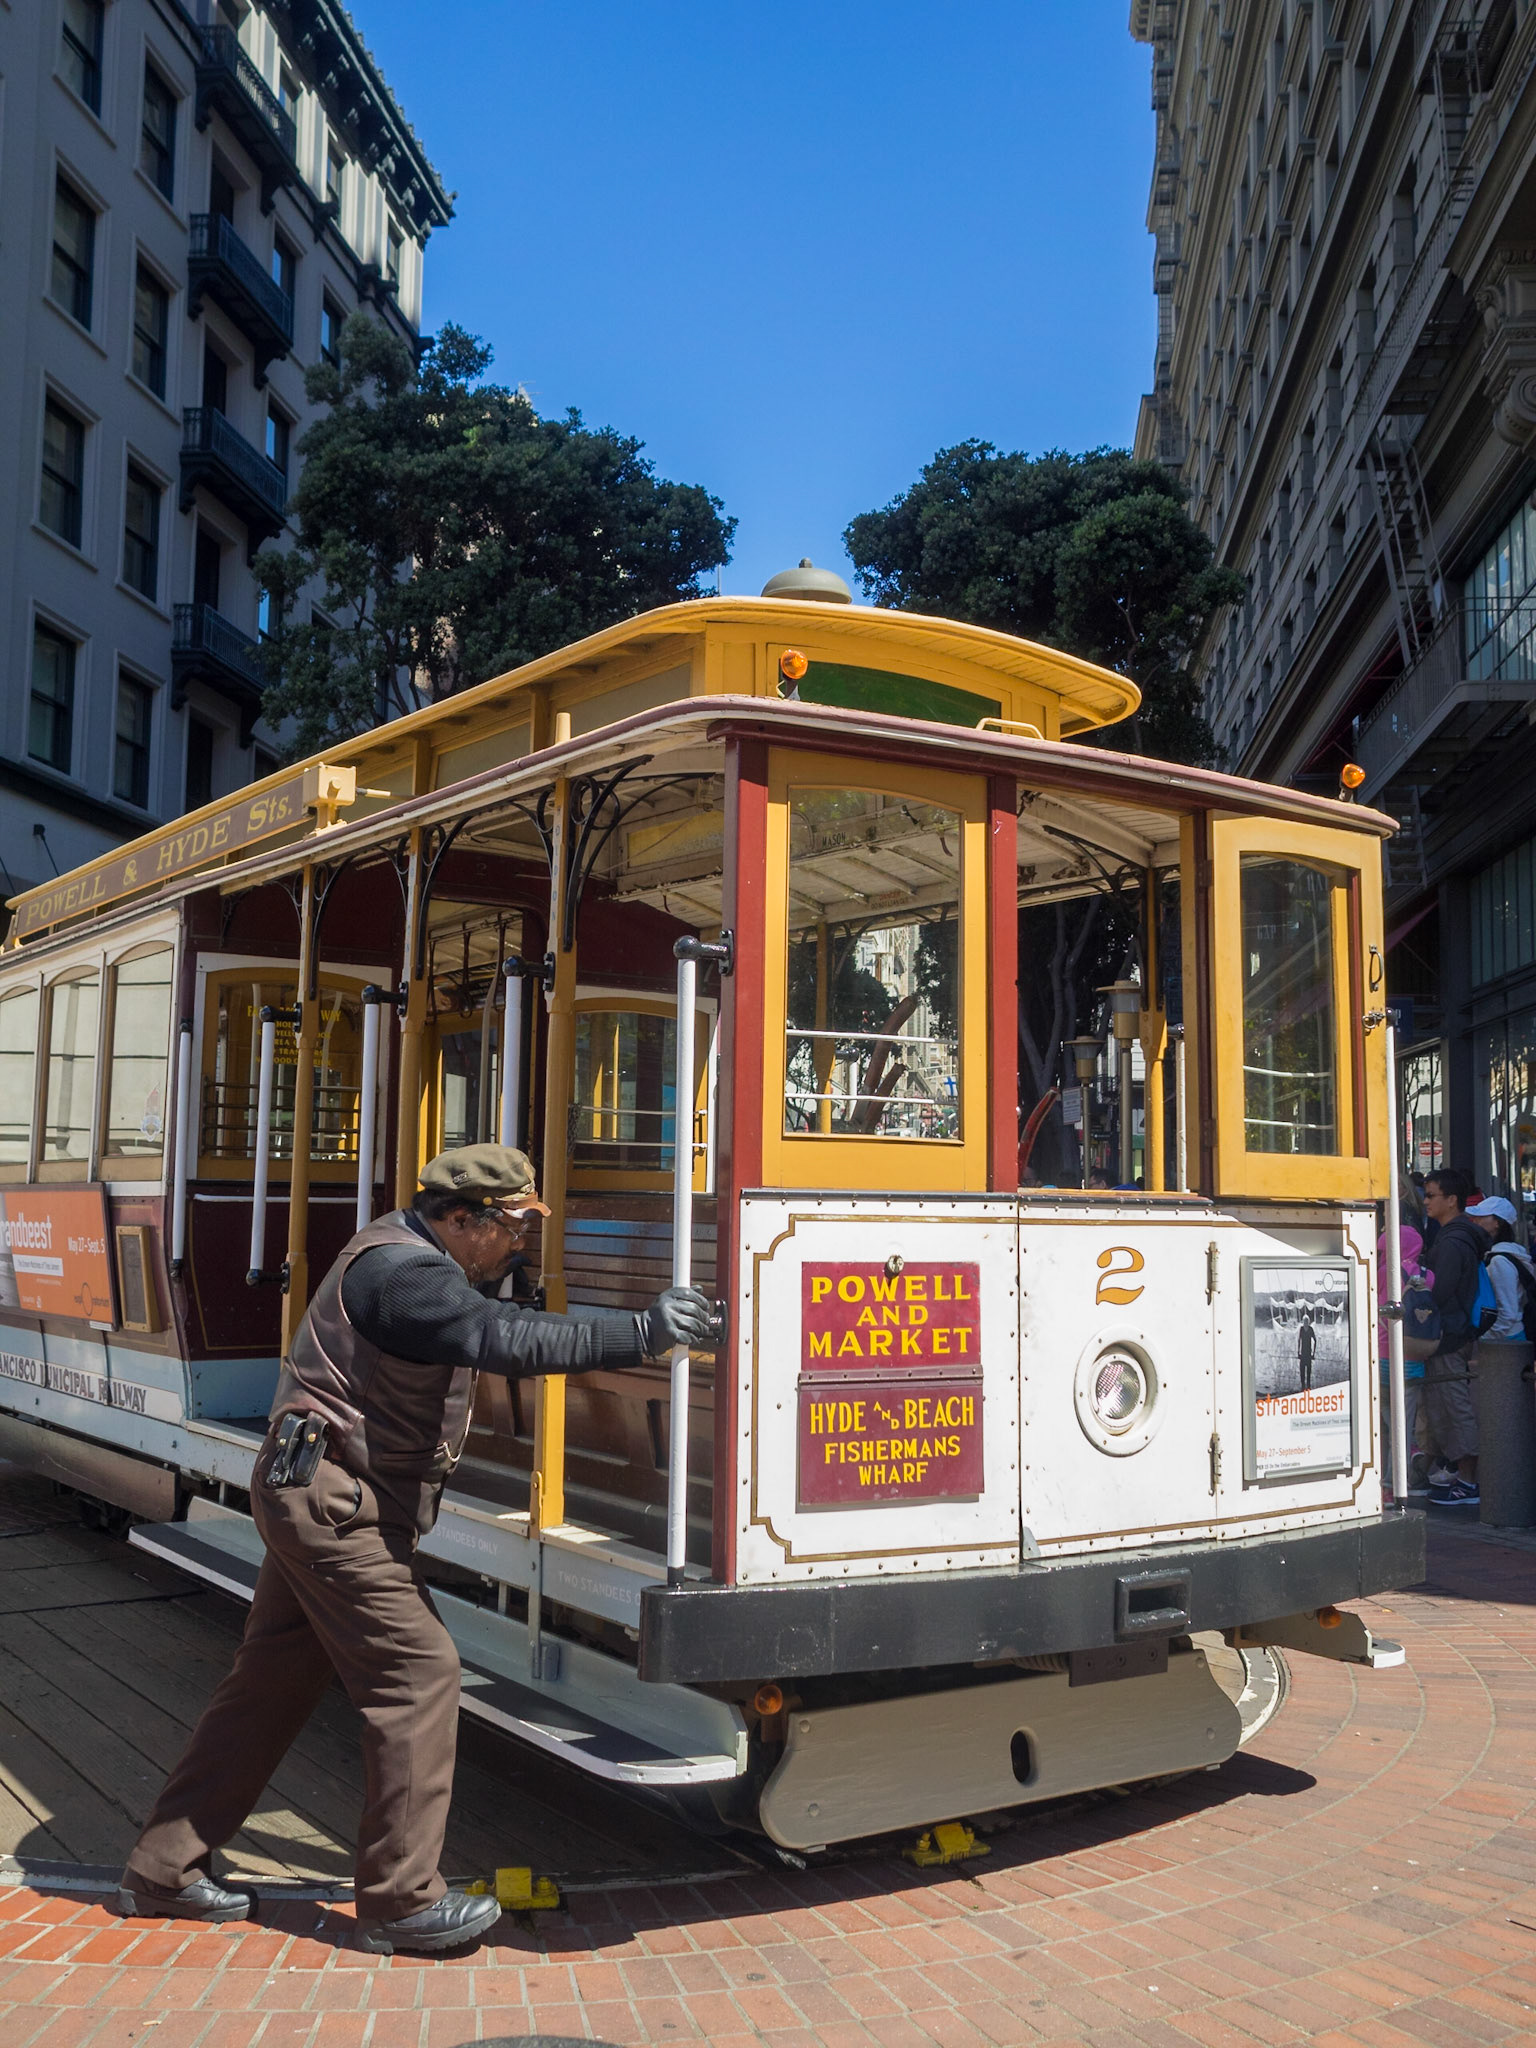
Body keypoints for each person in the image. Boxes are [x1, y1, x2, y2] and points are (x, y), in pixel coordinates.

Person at [117, 1144, 715, 1954]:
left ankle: (163, 1870)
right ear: (458, 1219)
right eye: (509, 1226)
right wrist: (641, 1332)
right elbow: (499, 1337)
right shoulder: (405, 1276)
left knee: (269, 1685)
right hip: (334, 1508)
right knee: (420, 1671)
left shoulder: (406, 1252)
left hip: (321, 1498)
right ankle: (400, 1902)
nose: (519, 1243)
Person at [1418, 1167, 1486, 1507]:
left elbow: (1439, 1291)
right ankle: (1455, 1472)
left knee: (1452, 1405)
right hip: (1454, 1331)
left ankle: (1469, 1479)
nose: (1426, 1201)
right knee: (1443, 1405)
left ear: (1452, 1200)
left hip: (1449, 1333)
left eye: (1431, 1195)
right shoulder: (1458, 1236)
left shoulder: (1451, 1241)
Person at [1377, 1212, 1430, 1497]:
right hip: (1414, 1358)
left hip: (1382, 1355)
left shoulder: (1383, 1272)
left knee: (1388, 1419)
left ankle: (1389, 1481)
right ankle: (1399, 1478)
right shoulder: (1426, 1275)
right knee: (1404, 1423)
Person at [1467, 1195, 1536, 1339]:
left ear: (1497, 1222)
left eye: (1481, 1216)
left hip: (1505, 1341)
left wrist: (1485, 1338)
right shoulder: (1504, 1255)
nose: (1475, 1220)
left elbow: (1507, 1313)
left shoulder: (1500, 1261)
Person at [1297, 1309, 1316, 1392]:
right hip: (1302, 1353)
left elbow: (1315, 1340)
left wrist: (1313, 1353)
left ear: (1308, 1322)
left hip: (1308, 1353)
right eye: (1304, 1321)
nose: (1305, 1323)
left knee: (1308, 1371)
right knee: (1302, 1371)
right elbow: (1299, 1340)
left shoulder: (1311, 1329)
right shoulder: (1301, 1329)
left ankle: (1308, 1387)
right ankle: (1302, 1387)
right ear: (1303, 1322)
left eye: (1307, 1321)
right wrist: (1298, 1352)